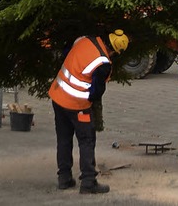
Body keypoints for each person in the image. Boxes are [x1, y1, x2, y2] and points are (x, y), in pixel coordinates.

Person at [49, 29, 129, 194]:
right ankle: (88, 182)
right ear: (115, 51)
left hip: (58, 96)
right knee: (86, 141)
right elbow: (95, 92)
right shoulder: (103, 63)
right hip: (77, 105)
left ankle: (64, 178)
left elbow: (67, 52)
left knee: (64, 139)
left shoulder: (85, 39)